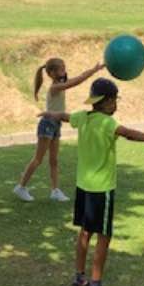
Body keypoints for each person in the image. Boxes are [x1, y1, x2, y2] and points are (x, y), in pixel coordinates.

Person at [41, 77, 144, 286]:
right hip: (102, 190)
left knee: (84, 232)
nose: (116, 105)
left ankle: (78, 280)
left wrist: (51, 114)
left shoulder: (84, 117)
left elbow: (66, 116)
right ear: (108, 101)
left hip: (83, 186)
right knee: (103, 235)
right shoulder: (107, 123)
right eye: (115, 100)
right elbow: (129, 133)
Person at [13, 59, 105, 202]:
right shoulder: (54, 88)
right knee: (38, 159)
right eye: (61, 69)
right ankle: (21, 187)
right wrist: (94, 70)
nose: (64, 72)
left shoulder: (58, 86)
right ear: (51, 73)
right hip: (47, 124)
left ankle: (55, 191)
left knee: (54, 160)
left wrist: (94, 69)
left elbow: (78, 78)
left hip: (56, 125)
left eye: (64, 68)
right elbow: (77, 81)